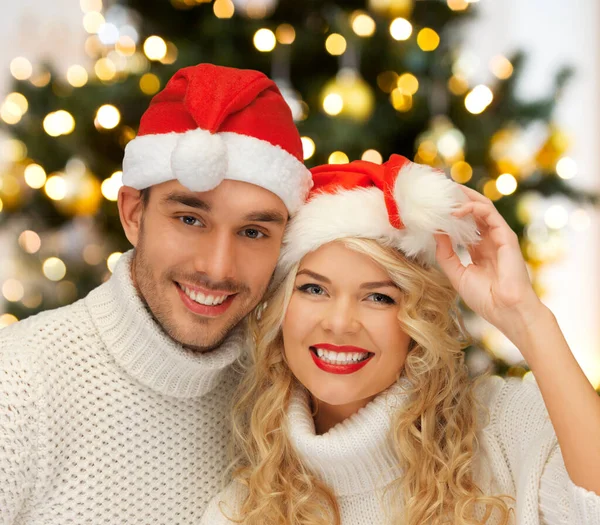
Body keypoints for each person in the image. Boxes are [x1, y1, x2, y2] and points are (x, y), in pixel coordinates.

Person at [201, 155, 600, 525]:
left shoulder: (503, 427)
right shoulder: (240, 511)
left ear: (417, 318)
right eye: (314, 290)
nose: (340, 324)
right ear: (279, 309)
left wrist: (528, 319)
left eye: (378, 297)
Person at [0, 63, 312, 525]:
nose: (217, 267)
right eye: (190, 219)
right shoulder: (18, 385)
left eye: (252, 231)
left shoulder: (283, 397)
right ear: (132, 214)